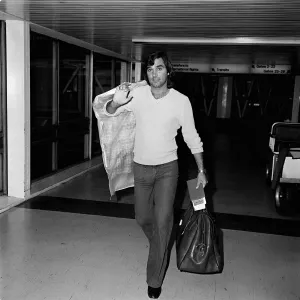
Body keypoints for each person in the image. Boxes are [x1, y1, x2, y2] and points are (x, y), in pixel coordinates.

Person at [106, 51, 207, 299]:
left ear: (168, 71)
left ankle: (154, 279)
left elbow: (192, 138)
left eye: (159, 69)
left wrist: (202, 170)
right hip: (140, 167)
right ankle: (161, 245)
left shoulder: (181, 101)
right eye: (150, 70)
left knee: (163, 220)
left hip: (167, 169)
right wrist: (117, 101)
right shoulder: (138, 95)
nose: (154, 74)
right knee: (142, 217)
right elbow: (109, 111)